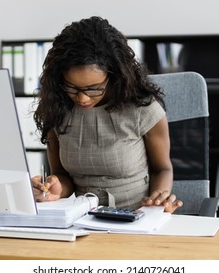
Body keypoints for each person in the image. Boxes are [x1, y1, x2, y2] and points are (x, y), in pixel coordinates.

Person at [30, 16, 182, 213]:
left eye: (94, 89)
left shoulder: (142, 109)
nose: (82, 98)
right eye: (72, 87)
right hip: (83, 219)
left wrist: (158, 199)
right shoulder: (57, 108)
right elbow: (62, 175)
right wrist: (56, 188)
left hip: (137, 218)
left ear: (114, 76)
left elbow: (162, 169)